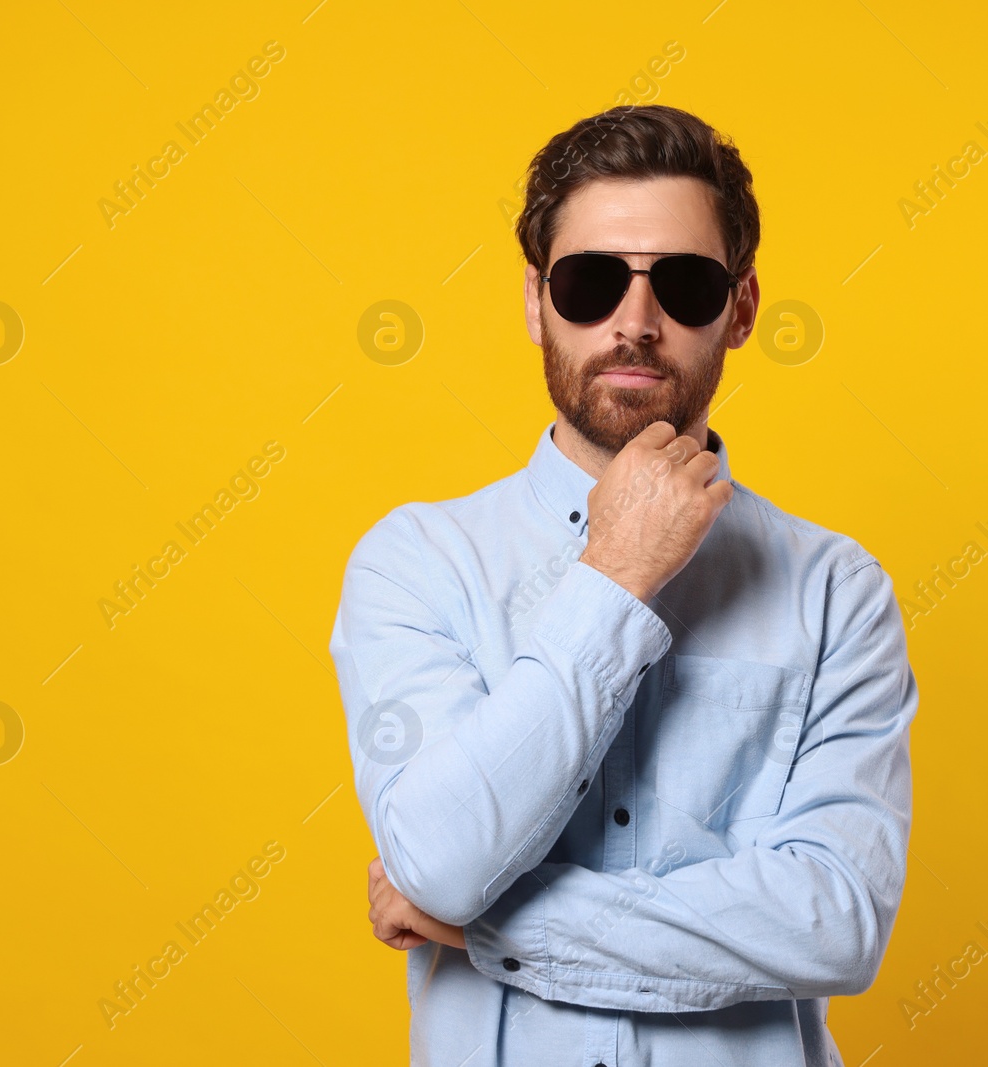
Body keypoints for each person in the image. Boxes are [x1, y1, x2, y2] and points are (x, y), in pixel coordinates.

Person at [330, 103, 919, 1067]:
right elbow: (440, 859)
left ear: (741, 308)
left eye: (684, 285)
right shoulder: (417, 562)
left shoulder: (835, 592)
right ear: (535, 301)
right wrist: (616, 575)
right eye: (592, 280)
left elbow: (835, 921)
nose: (635, 323)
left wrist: (484, 926)